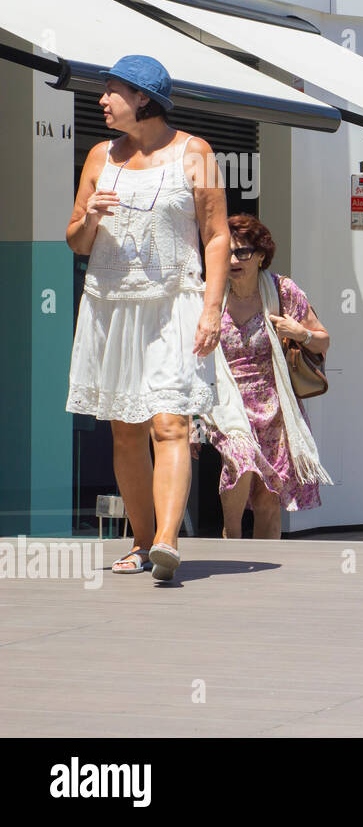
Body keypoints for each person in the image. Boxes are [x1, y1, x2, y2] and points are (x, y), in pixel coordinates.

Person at [65, 55, 228, 581]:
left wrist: (211, 308)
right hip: (111, 304)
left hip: (174, 302)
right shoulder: (98, 156)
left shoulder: (195, 153)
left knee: (170, 422)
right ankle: (139, 541)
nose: (102, 100)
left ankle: (165, 540)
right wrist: (88, 218)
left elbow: (217, 234)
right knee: (125, 431)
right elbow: (75, 242)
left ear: (142, 97)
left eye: (111, 90)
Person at [199, 215, 333, 538]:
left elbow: (323, 340)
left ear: (260, 256)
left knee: (268, 501)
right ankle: (232, 541)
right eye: (227, 253)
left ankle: (264, 575)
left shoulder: (281, 291)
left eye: (242, 253)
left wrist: (300, 332)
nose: (233, 260)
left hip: (275, 409)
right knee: (240, 460)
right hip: (229, 407)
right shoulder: (211, 296)